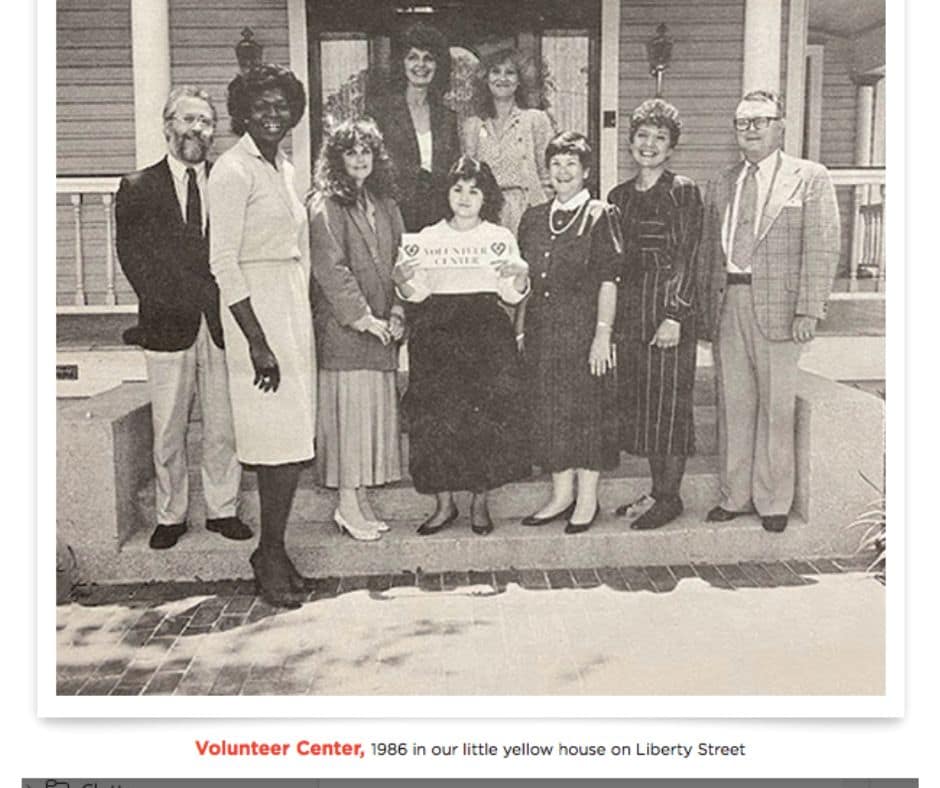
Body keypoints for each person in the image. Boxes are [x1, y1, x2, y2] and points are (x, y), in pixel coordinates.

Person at [115, 86, 250, 550]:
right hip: (167, 324)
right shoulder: (138, 186)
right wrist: (176, 300)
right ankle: (170, 515)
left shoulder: (226, 180)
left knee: (223, 424)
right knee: (169, 426)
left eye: (206, 122)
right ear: (167, 124)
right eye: (189, 119)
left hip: (219, 324)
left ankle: (222, 509)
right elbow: (133, 258)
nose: (197, 129)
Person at [698, 89, 840, 533]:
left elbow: (822, 246)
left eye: (760, 121)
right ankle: (735, 495)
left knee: (776, 408)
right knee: (735, 405)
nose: (751, 130)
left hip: (779, 306)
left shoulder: (808, 177)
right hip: (729, 303)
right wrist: (706, 310)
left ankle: (774, 500)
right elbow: (708, 252)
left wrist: (809, 310)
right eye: (743, 122)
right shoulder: (722, 182)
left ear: (780, 125)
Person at [208, 64, 313, 608]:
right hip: (256, 310)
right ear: (242, 113)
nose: (273, 115)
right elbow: (223, 261)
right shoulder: (232, 170)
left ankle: (272, 548)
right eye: (261, 107)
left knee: (293, 441)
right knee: (272, 443)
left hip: (290, 304)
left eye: (281, 106)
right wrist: (256, 339)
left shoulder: (286, 168)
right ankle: (268, 557)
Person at [394, 156, 531, 535]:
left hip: (485, 333)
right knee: (436, 421)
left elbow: (511, 293)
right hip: (436, 335)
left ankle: (480, 503)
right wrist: (401, 279)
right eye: (458, 189)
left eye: (474, 190)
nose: (465, 197)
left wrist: (520, 276)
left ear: (486, 197)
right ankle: (443, 505)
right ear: (446, 193)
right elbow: (416, 293)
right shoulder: (427, 237)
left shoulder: (499, 237)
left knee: (483, 419)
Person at [517, 131, 623, 534]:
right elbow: (523, 279)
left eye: (571, 164)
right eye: (556, 164)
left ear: (586, 172)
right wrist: (521, 329)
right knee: (551, 411)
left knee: (586, 412)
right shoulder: (533, 217)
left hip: (583, 331)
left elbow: (609, 279)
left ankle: (587, 499)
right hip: (544, 331)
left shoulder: (600, 214)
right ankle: (561, 495)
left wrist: (603, 334)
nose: (562, 171)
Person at [607, 99, 704, 530]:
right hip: (630, 312)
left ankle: (672, 497)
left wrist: (675, 315)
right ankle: (656, 488)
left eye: (660, 138)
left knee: (669, 406)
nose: (649, 145)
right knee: (646, 406)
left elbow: (688, 256)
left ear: (671, 148)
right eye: (643, 136)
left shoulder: (681, 190)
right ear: (630, 142)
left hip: (667, 309)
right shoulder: (618, 197)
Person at [308, 118, 406, 541]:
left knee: (370, 419)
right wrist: (363, 318)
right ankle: (346, 504)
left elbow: (404, 260)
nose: (360, 158)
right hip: (348, 332)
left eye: (366, 150)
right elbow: (330, 267)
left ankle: (361, 499)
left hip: (383, 329)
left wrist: (400, 309)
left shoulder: (384, 203)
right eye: (350, 151)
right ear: (336, 158)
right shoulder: (326, 203)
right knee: (349, 421)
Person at [371, 22, 461, 232]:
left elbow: (453, 171)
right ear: (401, 64)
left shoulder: (448, 116)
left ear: (438, 65)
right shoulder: (381, 113)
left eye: (428, 58)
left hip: (439, 217)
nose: (421, 65)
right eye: (413, 57)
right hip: (393, 214)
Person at [462, 48, 555, 235]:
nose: (502, 78)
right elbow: (468, 176)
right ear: (485, 78)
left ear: (520, 80)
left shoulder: (535, 120)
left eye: (510, 73)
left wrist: (544, 209)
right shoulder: (472, 125)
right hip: (486, 211)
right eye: (496, 71)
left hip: (528, 211)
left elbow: (548, 173)